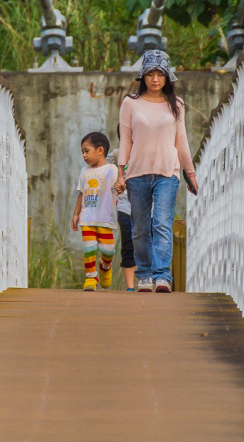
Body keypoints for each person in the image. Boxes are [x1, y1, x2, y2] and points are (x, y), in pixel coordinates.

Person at [115, 50, 197, 293]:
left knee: (162, 223)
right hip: (137, 174)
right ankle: (144, 274)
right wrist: (121, 173)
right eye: (150, 74)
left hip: (167, 174)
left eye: (159, 74)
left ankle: (162, 276)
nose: (154, 79)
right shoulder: (130, 103)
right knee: (140, 228)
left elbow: (181, 141)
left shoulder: (177, 104)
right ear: (143, 77)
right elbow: (126, 141)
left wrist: (189, 173)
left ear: (167, 77)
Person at [71, 132, 119, 291]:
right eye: (82, 152)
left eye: (87, 151)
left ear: (100, 150)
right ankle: (91, 278)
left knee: (108, 250)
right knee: (89, 249)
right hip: (87, 219)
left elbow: (120, 184)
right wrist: (76, 214)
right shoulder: (84, 171)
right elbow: (81, 193)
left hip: (105, 219)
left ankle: (105, 267)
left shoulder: (111, 169)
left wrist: (121, 186)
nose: (84, 155)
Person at [107, 126, 136, 291]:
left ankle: (150, 282)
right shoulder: (117, 154)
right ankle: (130, 287)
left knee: (148, 245)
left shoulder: (148, 154)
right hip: (124, 207)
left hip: (149, 208)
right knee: (128, 244)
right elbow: (102, 167)